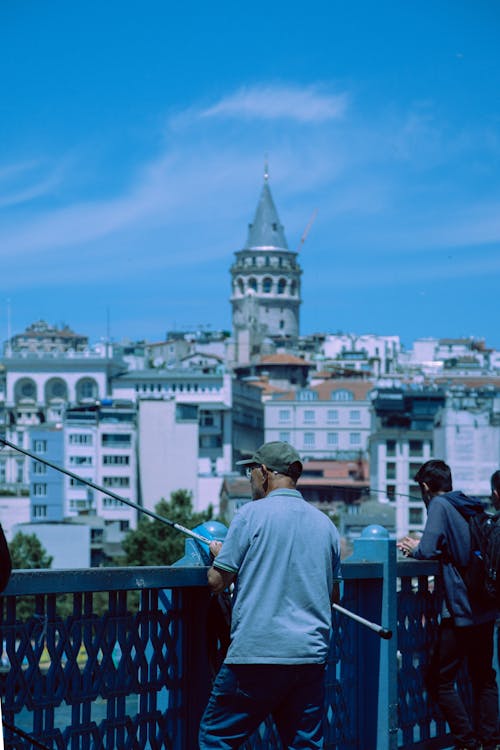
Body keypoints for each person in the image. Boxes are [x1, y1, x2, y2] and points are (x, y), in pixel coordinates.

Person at [198, 441, 341, 750]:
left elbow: (216, 582)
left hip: (256, 653)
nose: (250, 479)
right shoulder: (326, 525)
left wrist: (221, 558)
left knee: (217, 737)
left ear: (264, 472)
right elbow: (333, 594)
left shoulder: (251, 515)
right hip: (309, 656)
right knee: (304, 744)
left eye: (251, 471)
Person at [398, 459, 499, 750]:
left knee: (438, 680)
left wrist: (414, 548)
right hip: (485, 605)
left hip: (461, 609)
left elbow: (428, 549)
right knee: (484, 677)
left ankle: (467, 742)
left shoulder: (441, 506)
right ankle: (490, 741)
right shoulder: (467, 503)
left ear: (426, 487)